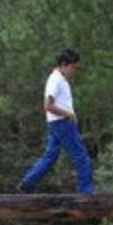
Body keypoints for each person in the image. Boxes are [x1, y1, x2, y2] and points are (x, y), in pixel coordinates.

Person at [18, 48, 94, 194]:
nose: (74, 71)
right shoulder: (56, 80)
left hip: (57, 123)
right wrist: (68, 114)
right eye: (73, 67)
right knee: (81, 155)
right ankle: (86, 191)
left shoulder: (61, 79)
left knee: (50, 156)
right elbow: (48, 105)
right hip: (62, 123)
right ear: (64, 64)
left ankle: (27, 183)